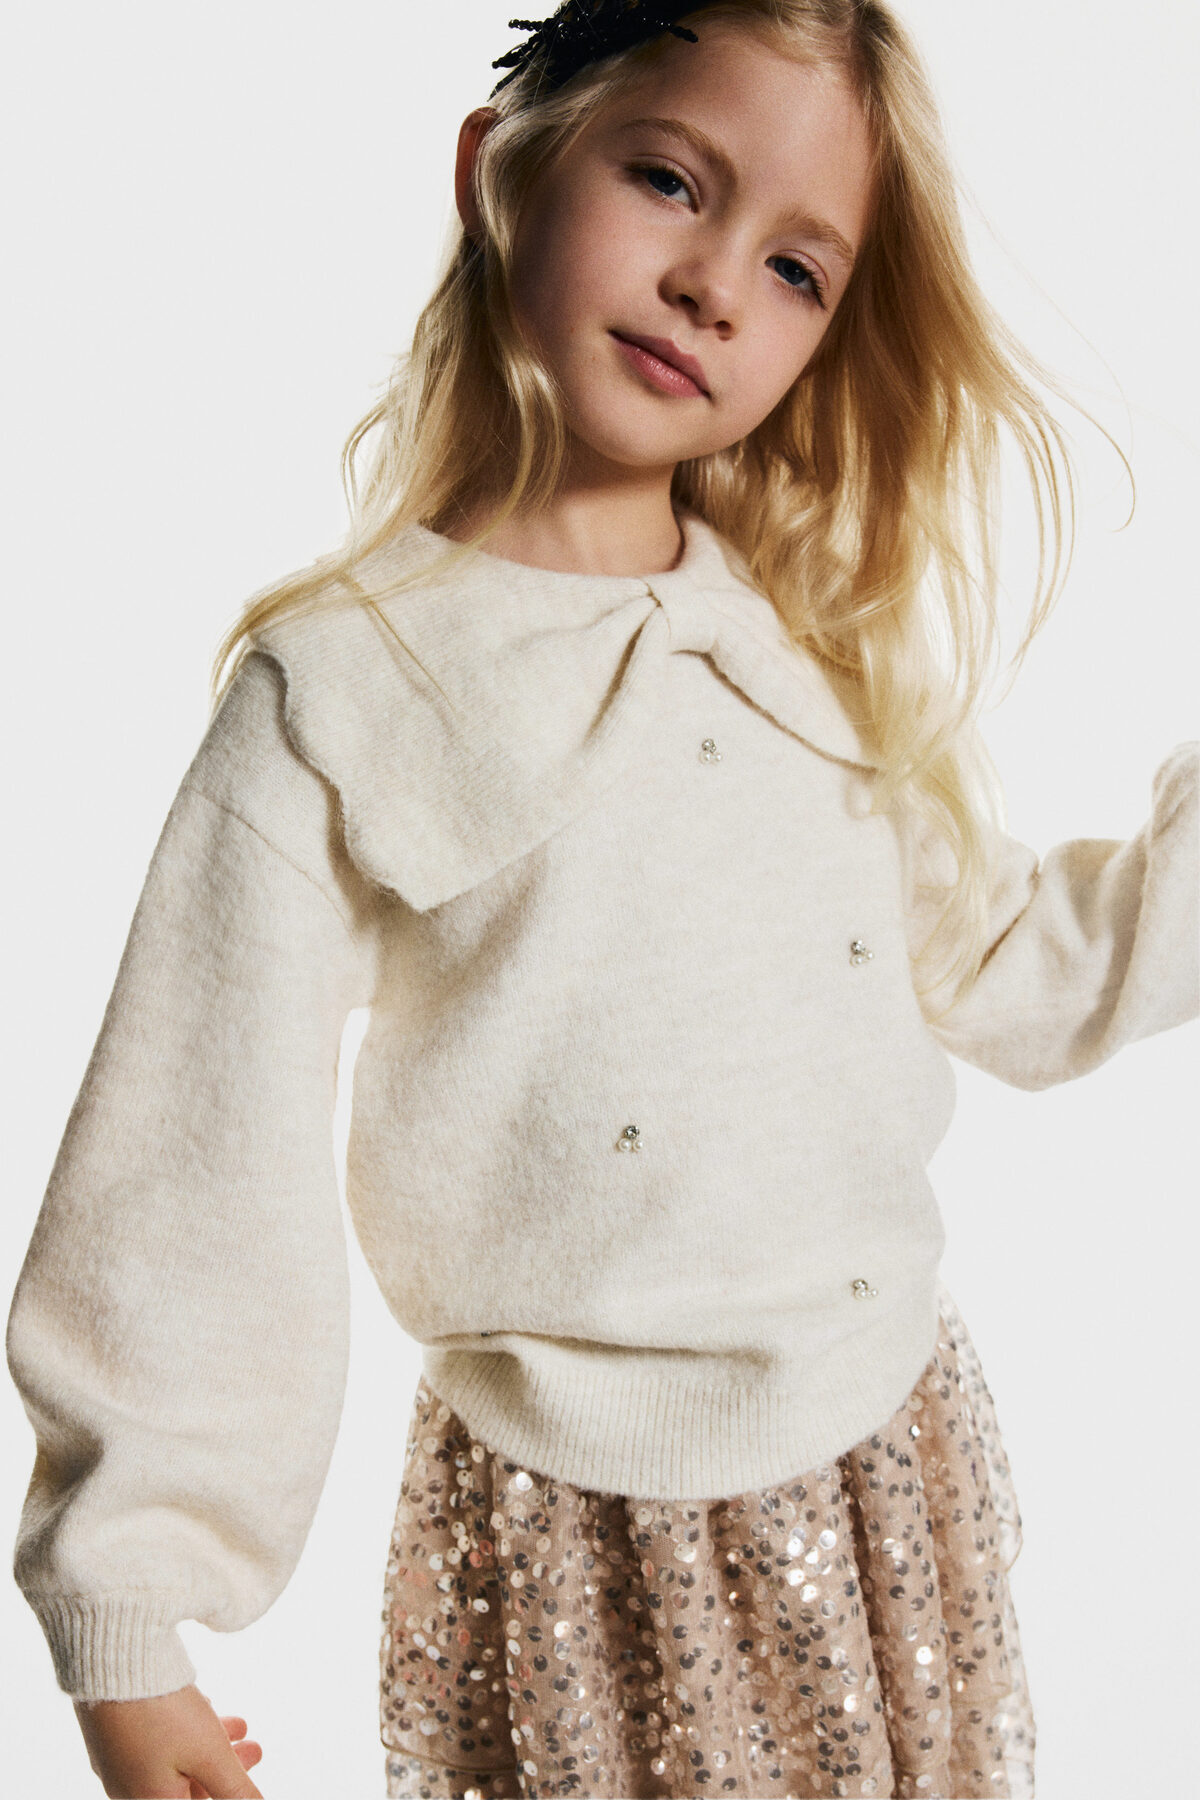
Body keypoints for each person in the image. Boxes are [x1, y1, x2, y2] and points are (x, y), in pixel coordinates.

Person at [6, 1, 1197, 1796]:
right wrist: (128, 1621)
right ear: (501, 169)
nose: (714, 286)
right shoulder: (348, 691)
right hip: (582, 1546)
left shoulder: (802, 640)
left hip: (884, 1466)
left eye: (795, 269)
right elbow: (195, 1148)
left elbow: (1023, 960)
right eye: (670, 181)